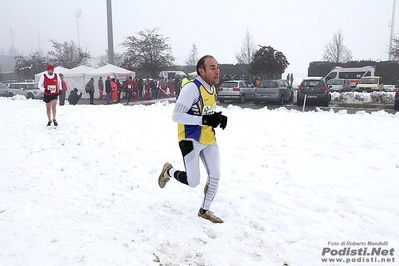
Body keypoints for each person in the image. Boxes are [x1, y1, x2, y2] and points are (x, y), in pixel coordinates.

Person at [158, 55, 228, 224]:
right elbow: (176, 116)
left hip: (208, 137)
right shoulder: (191, 88)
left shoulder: (211, 88)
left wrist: (218, 117)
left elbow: (205, 111)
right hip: (190, 138)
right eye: (212, 67)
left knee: (216, 175)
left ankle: (204, 211)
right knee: (193, 182)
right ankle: (169, 171)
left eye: (217, 67)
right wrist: (204, 120)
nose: (217, 70)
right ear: (201, 71)